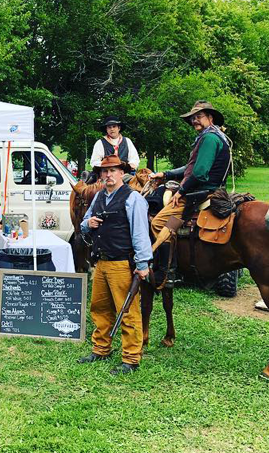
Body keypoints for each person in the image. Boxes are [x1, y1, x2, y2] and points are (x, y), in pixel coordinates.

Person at [78, 156, 152, 373]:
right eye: (104, 171)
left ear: (122, 173)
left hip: (122, 263)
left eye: (113, 171)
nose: (108, 175)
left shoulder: (133, 199)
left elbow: (140, 233)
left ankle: (131, 358)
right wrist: (87, 223)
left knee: (127, 311)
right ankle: (101, 349)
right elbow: (86, 221)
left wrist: (143, 263)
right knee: (99, 308)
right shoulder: (99, 196)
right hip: (101, 262)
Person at [149, 101, 231, 283]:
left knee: (158, 223)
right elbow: (191, 167)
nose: (195, 120)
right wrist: (167, 174)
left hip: (201, 192)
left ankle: (167, 271)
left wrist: (181, 191)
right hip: (208, 189)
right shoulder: (212, 136)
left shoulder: (209, 138)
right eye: (193, 118)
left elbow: (200, 173)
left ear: (210, 117)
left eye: (199, 116)